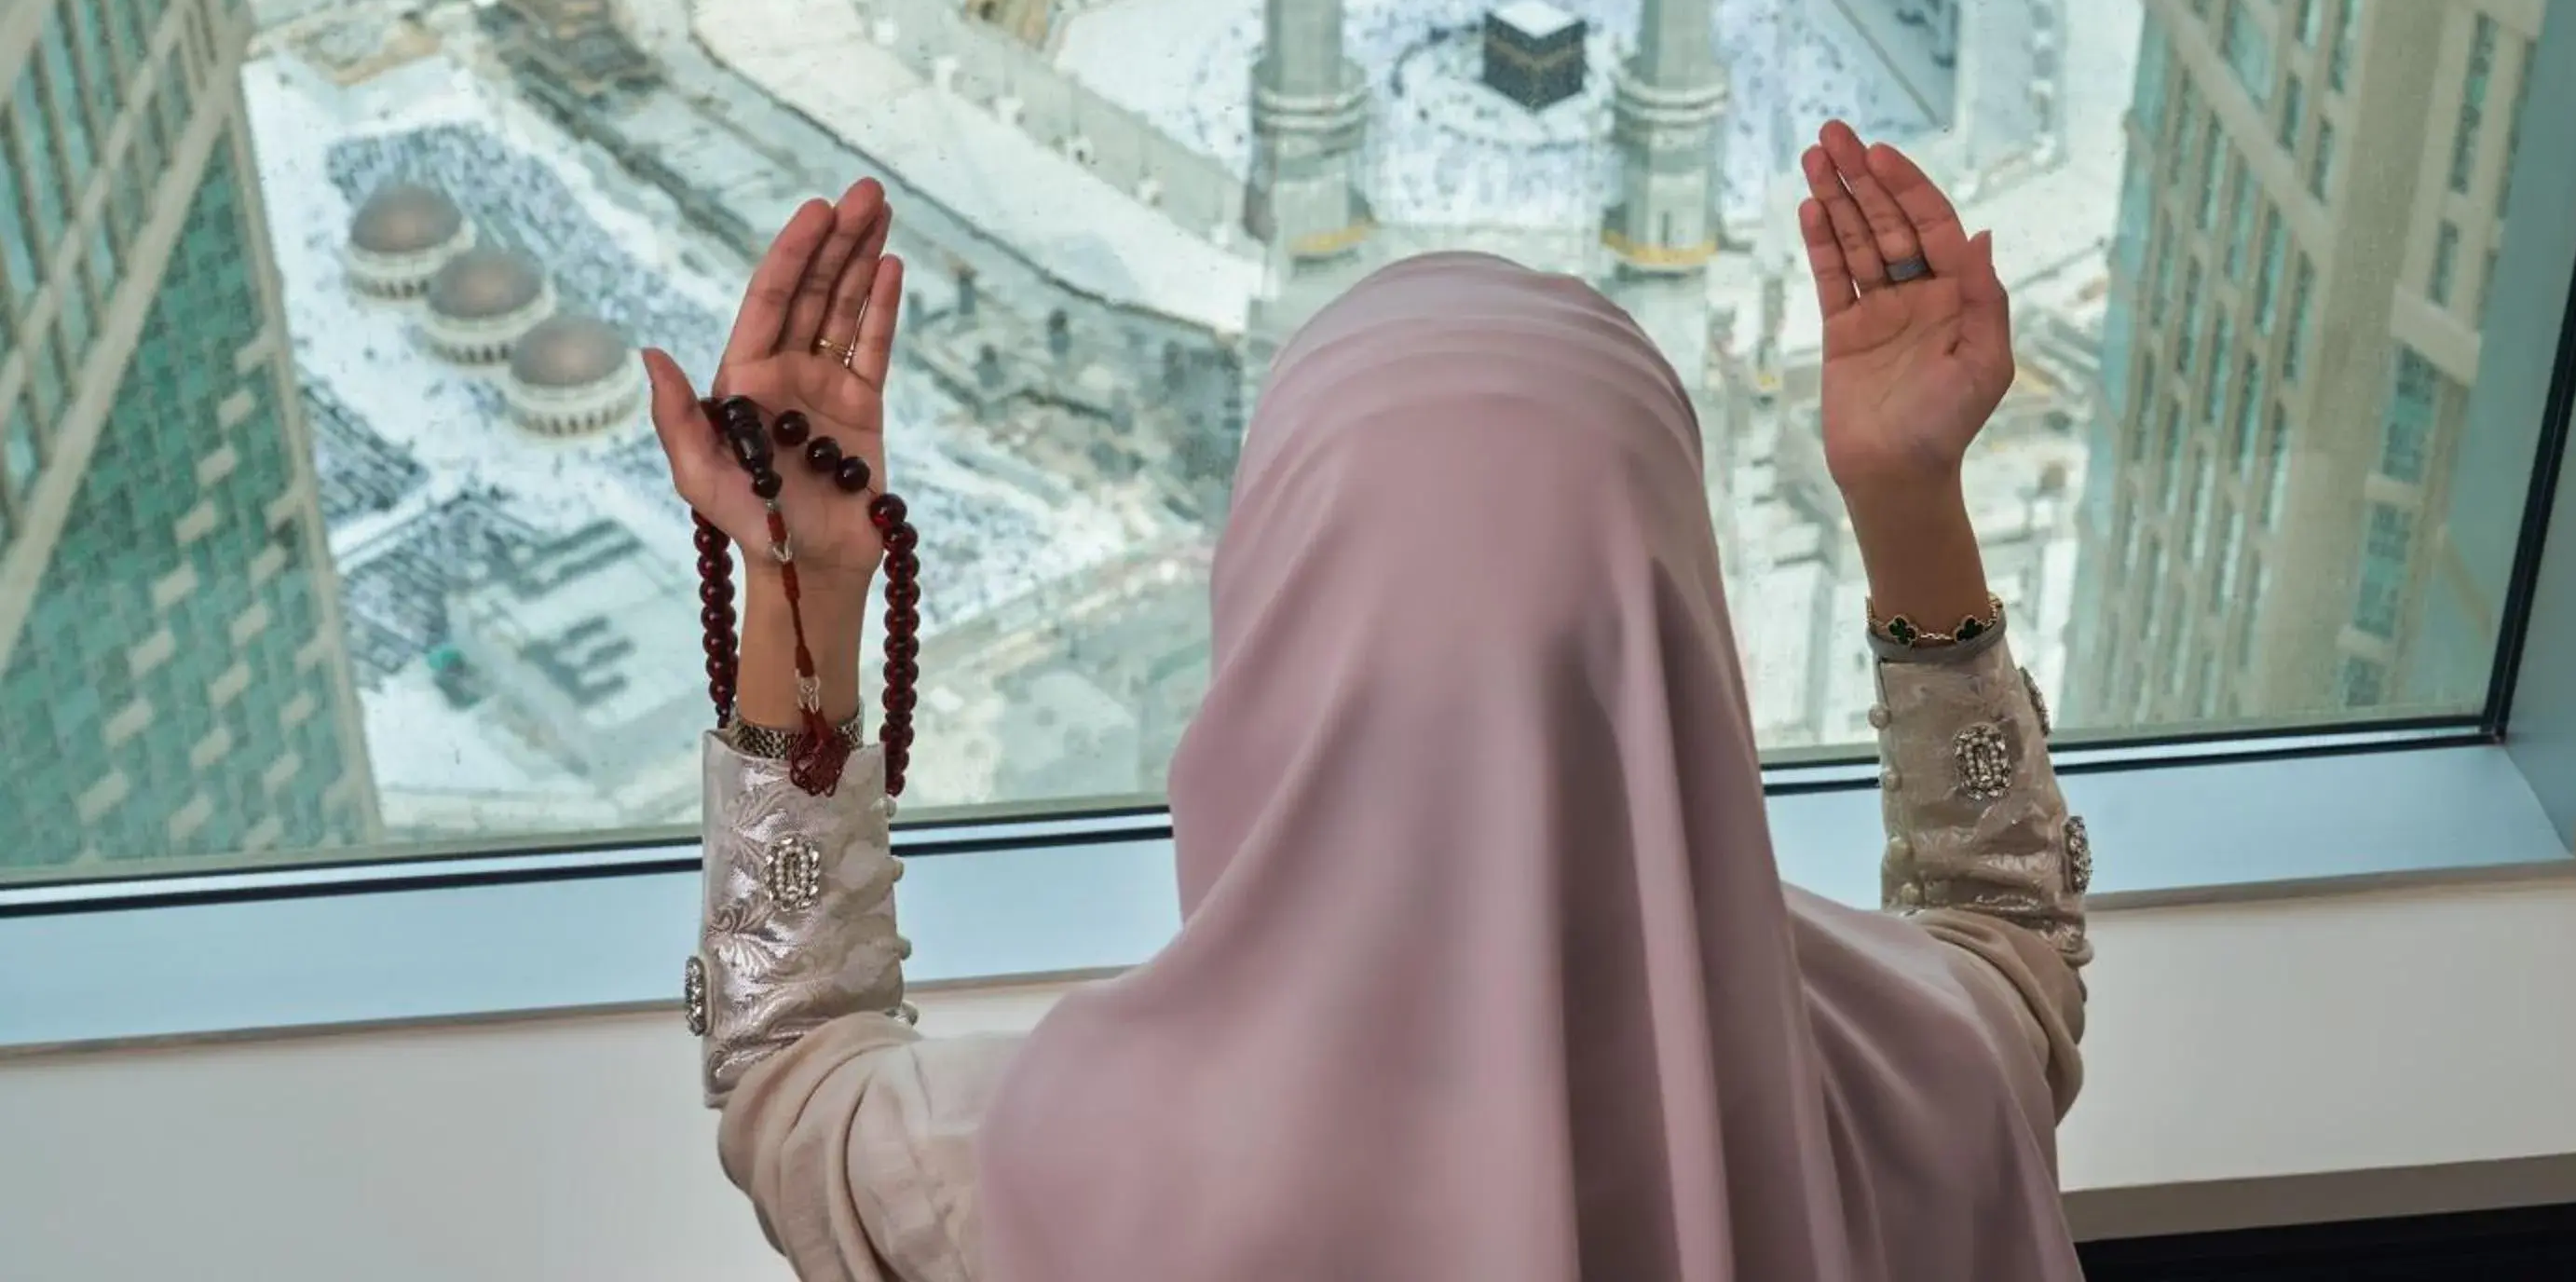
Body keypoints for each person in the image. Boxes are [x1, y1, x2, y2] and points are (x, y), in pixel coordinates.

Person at [647, 121, 2091, 1282]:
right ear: (1673, 635)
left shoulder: (1061, 1190)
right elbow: (2008, 934)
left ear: (1277, 647)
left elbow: (796, 1079)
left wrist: (801, 590)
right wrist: (1908, 500)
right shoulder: (1911, 1093)